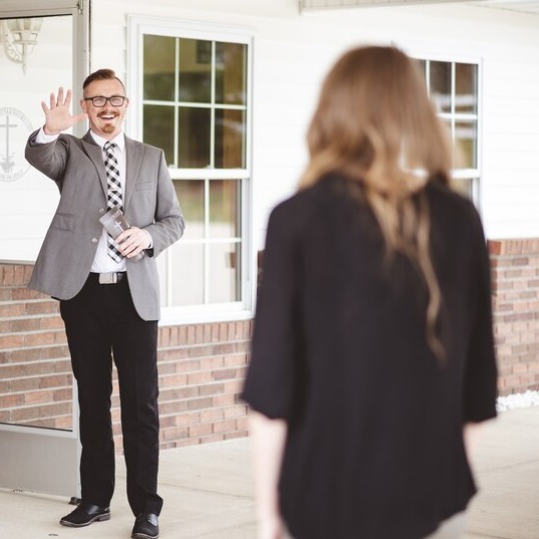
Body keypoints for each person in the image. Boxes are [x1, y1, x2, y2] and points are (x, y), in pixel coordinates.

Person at [241, 45, 498, 539]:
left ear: (331, 113)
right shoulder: (459, 220)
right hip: (436, 498)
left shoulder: (296, 219)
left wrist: (269, 519)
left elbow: (272, 391)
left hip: (321, 499)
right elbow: (478, 388)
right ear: (416, 113)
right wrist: (435, 498)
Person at [24, 68, 184, 539]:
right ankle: (95, 498)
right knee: (92, 401)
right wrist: (50, 130)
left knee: (141, 407)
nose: (107, 107)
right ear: (87, 108)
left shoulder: (150, 157)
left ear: (127, 103)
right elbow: (41, 156)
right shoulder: (69, 152)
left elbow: (173, 221)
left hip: (135, 298)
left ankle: (146, 509)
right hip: (85, 294)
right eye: (97, 100)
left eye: (115, 99)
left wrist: (148, 236)